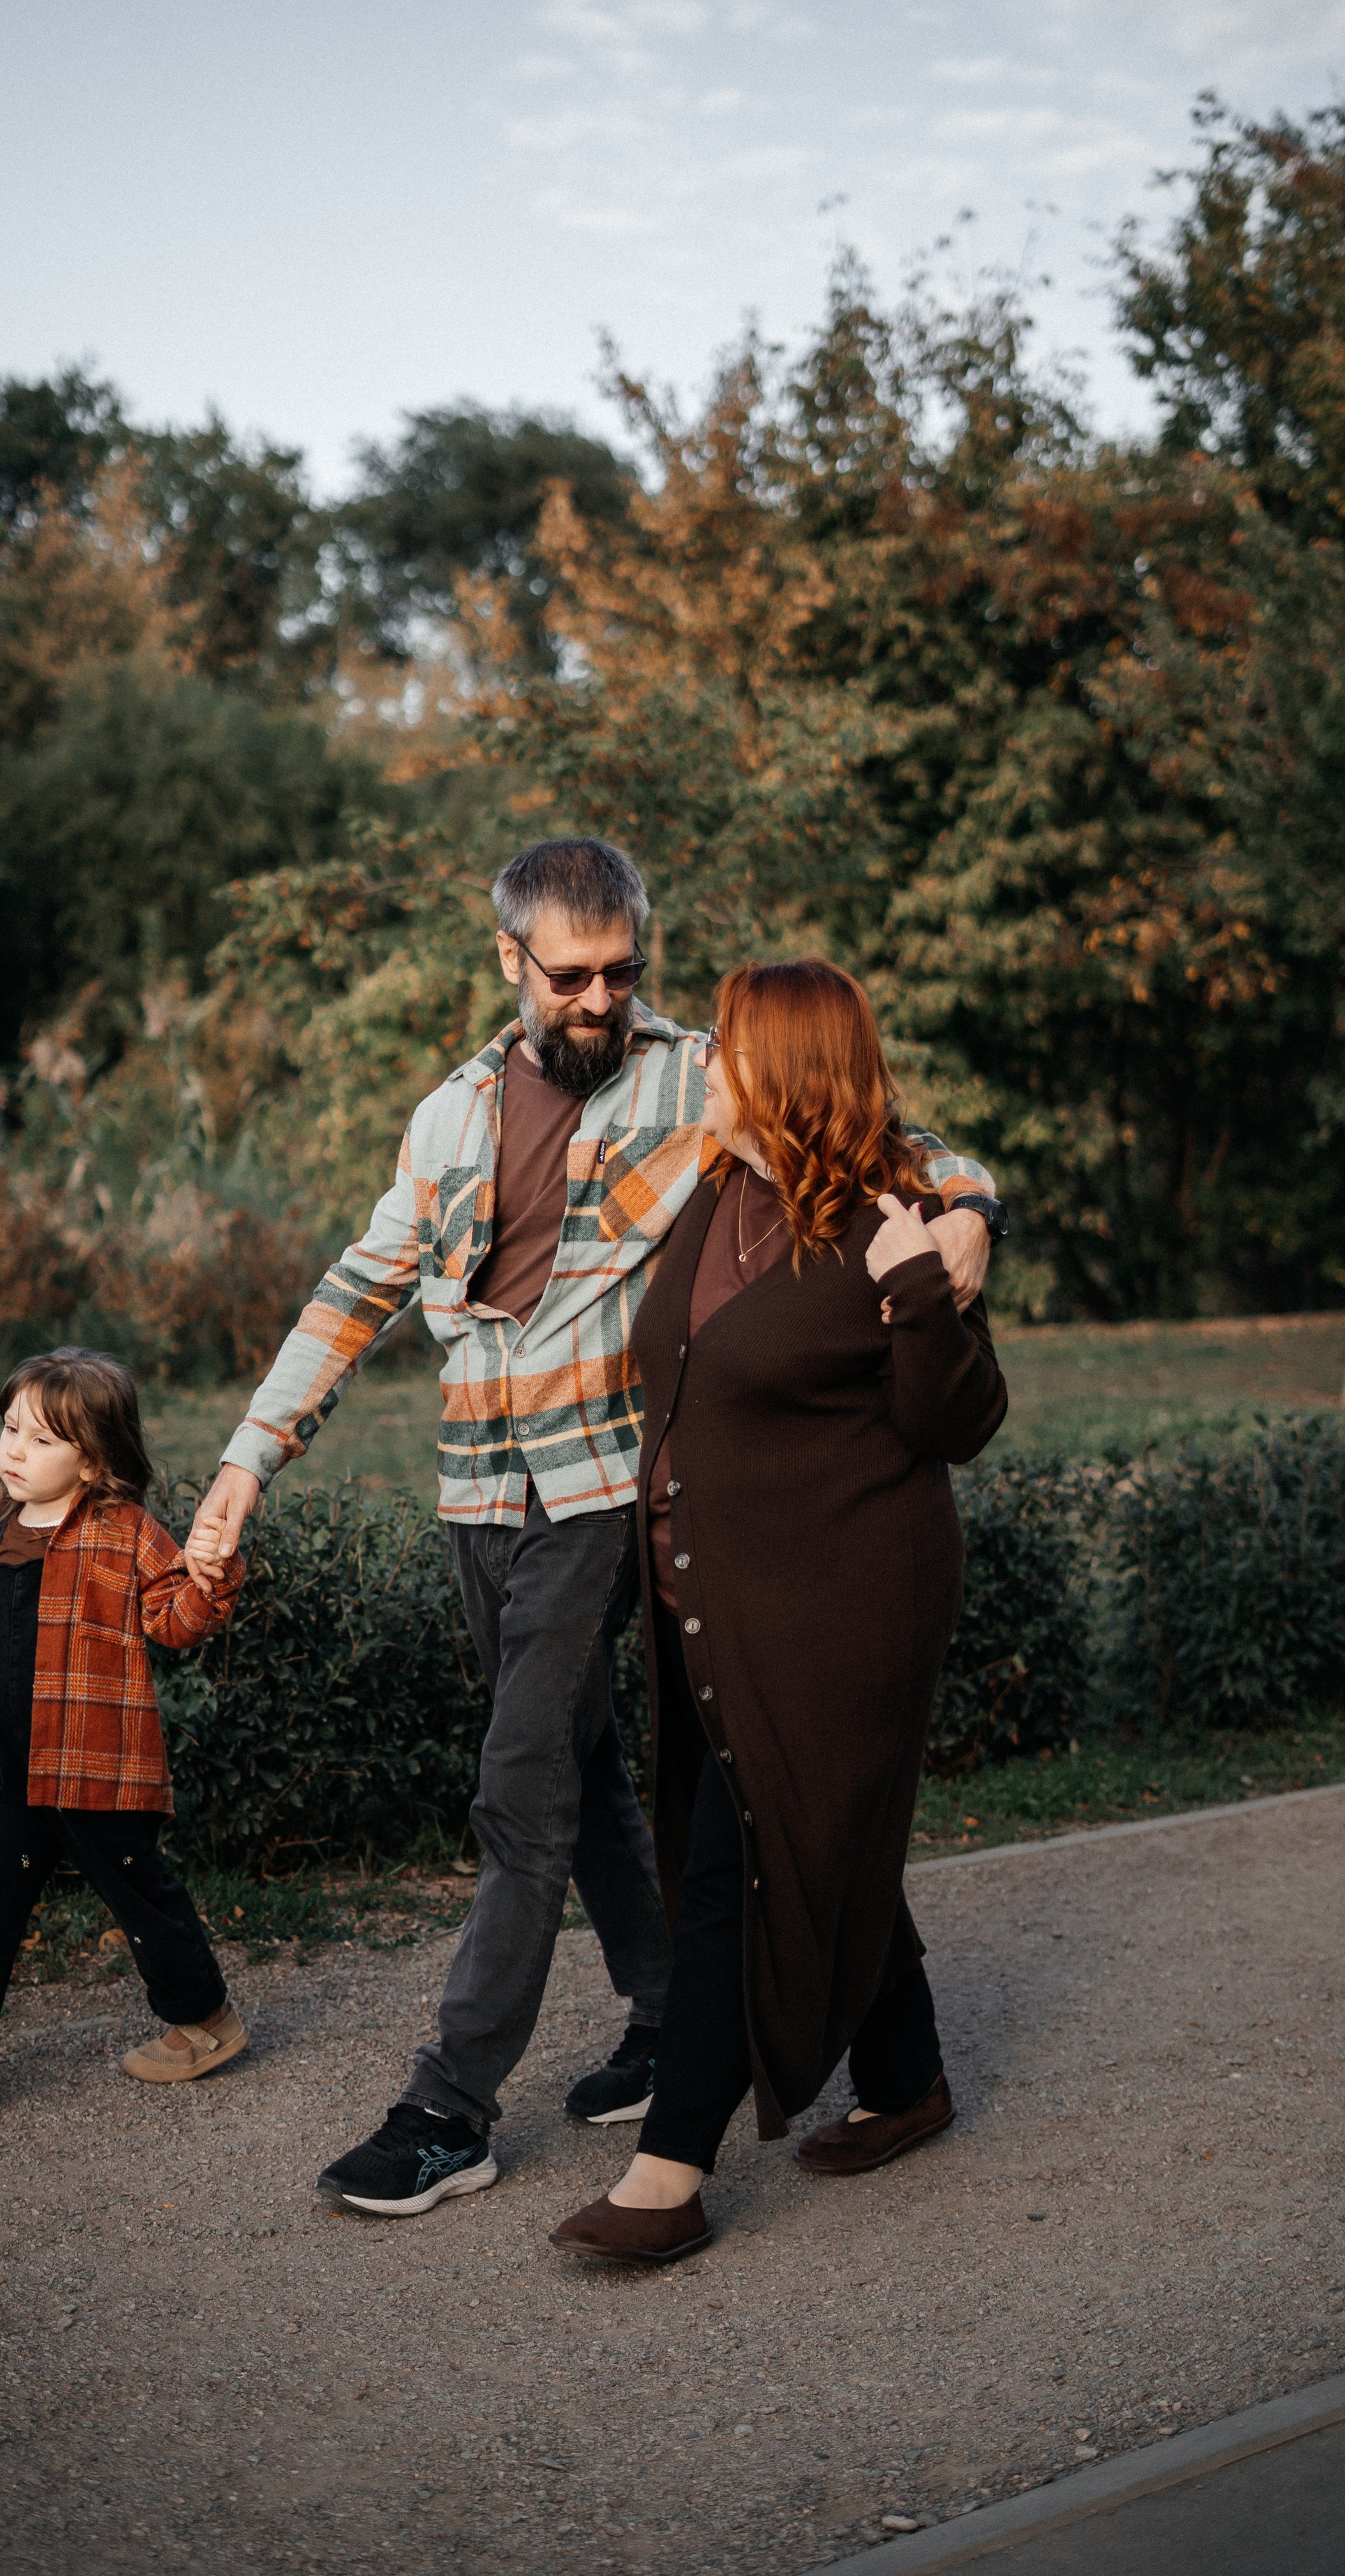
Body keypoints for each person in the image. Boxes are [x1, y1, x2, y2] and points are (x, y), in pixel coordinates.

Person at [188, 839, 1005, 2218]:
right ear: (509, 960)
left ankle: (448, 2112)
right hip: (480, 1485)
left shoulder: (697, 1076)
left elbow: (889, 1137)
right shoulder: (446, 1115)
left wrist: (972, 1206)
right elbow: (359, 1285)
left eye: (623, 970)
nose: (601, 998)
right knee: (592, 1765)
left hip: (609, 1490)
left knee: (522, 1783)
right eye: (570, 976)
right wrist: (247, 1459)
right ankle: (685, 2015)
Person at [549, 960, 1009, 2265]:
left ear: (788, 1071)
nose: (704, 1062)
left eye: (729, 1046)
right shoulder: (720, 1187)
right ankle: (908, 2081)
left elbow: (961, 1421)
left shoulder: (893, 1221)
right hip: (715, 1598)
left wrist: (926, 1282)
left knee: (738, 1865)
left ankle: (669, 2173)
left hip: (843, 1607)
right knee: (808, 1832)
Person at [0, 1349, 249, 2133]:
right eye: (11, 1429)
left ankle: (207, 2020)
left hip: (91, 1762)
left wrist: (211, 1572)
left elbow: (176, 1623)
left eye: (41, 1440)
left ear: (94, 1461)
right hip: (4, 1764)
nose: (14, 1451)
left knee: (141, 1896)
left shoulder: (124, 1532)